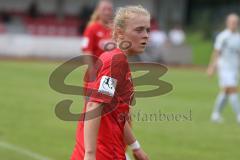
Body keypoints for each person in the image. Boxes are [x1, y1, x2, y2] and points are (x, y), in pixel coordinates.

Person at [71, 5, 150, 160]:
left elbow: (115, 112)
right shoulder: (116, 61)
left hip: (101, 149)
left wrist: (136, 147)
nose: (146, 35)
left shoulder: (114, 58)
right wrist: (90, 155)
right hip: (105, 152)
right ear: (120, 33)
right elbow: (94, 105)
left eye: (147, 30)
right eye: (139, 30)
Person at [207, 13, 240, 123]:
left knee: (225, 92)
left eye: (236, 22)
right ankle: (239, 115)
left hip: (234, 69)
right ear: (227, 23)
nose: (234, 24)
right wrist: (212, 67)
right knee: (232, 89)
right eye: (232, 22)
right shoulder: (223, 36)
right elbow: (216, 52)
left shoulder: (238, 38)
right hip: (224, 68)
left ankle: (215, 114)